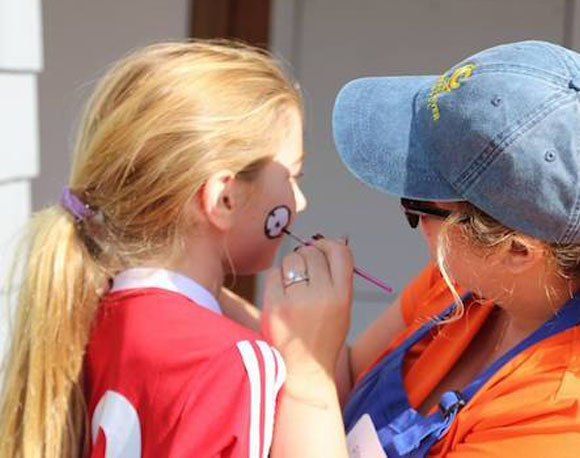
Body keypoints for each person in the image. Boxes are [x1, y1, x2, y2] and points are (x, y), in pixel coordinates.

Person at [322, 40, 580, 457]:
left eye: (417, 207)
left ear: (519, 251)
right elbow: (350, 376)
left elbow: (321, 393)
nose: (417, 226)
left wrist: (307, 376)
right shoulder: (482, 278)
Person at [0, 41, 353, 457]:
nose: (301, 200)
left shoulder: (87, 305)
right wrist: (308, 376)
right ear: (225, 199)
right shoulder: (239, 363)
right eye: (292, 176)